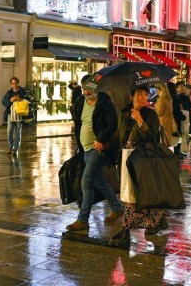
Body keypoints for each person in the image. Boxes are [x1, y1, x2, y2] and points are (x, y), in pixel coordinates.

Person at [109, 85, 167, 247]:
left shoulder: (150, 115)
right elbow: (118, 135)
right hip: (126, 157)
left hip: (143, 158)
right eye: (139, 95)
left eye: (145, 95)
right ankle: (159, 219)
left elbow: (152, 136)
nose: (143, 98)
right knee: (134, 194)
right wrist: (103, 144)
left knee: (132, 196)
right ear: (131, 97)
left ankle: (125, 230)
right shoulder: (124, 113)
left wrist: (141, 121)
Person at [65, 83, 123, 232]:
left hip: (97, 149)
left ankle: (83, 219)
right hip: (84, 149)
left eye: (89, 90)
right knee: (99, 181)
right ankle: (117, 208)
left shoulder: (105, 103)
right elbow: (79, 122)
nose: (86, 92)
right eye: (84, 89)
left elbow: (112, 124)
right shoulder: (80, 102)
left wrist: (101, 138)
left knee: (86, 181)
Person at [2, 77, 29, 154]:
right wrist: (10, 100)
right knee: (9, 130)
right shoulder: (9, 93)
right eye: (13, 83)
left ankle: (15, 148)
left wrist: (20, 99)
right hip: (10, 113)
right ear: (11, 84)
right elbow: (3, 102)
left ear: (18, 83)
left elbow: (29, 100)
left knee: (18, 131)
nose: (14, 85)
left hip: (20, 114)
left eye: (16, 83)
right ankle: (10, 147)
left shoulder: (23, 91)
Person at [167, 82, 187, 158]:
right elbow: (177, 111)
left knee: (170, 137)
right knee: (177, 135)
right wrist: (183, 117)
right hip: (176, 120)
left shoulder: (168, 97)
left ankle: (172, 153)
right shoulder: (175, 97)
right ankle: (176, 153)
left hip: (169, 120)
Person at [154, 83, 175, 148]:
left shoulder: (161, 99)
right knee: (168, 139)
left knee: (163, 139)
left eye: (156, 91)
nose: (156, 92)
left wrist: (155, 107)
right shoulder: (169, 98)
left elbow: (159, 113)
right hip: (169, 120)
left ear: (160, 90)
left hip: (162, 122)